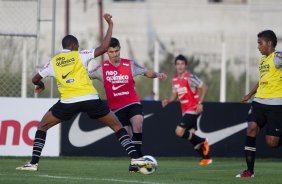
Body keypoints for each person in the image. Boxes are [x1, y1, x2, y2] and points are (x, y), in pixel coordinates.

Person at [16, 14, 148, 171]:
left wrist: (40, 84)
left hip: (67, 102)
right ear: (73, 45)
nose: (77, 48)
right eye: (77, 46)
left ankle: (33, 163)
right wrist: (110, 25)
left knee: (42, 127)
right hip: (90, 99)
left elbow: (34, 78)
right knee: (117, 126)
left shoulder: (53, 61)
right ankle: (136, 159)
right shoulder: (80, 55)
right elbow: (104, 47)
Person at [88, 37, 167, 172]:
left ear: (120, 50)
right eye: (112, 52)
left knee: (138, 123)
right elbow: (85, 75)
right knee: (128, 137)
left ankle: (138, 161)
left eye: (117, 51)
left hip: (132, 102)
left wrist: (156, 74)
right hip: (116, 108)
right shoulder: (102, 69)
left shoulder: (129, 64)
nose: (115, 54)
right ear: (107, 53)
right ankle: (137, 160)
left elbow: (144, 71)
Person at [236, 30, 282, 178]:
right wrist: (250, 94)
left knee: (272, 143)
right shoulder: (263, 60)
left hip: (276, 104)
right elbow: (262, 80)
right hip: (259, 102)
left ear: (269, 43)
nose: (258, 46)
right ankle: (249, 171)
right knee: (251, 128)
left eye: (260, 43)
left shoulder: (277, 57)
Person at [162, 54, 212, 166]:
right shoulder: (174, 79)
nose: (180, 66)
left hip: (193, 109)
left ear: (186, 66)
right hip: (185, 110)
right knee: (191, 137)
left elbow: (204, 88)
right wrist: (168, 100)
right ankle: (206, 158)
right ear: (175, 65)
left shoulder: (190, 77)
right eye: (178, 64)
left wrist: (200, 103)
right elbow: (175, 95)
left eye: (182, 64)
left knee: (179, 131)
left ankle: (203, 140)